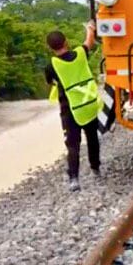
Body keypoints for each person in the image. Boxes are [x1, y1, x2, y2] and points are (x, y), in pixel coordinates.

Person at [45, 23, 102, 191]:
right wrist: (90, 29)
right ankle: (95, 168)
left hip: (69, 110)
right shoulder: (80, 54)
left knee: (72, 144)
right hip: (88, 104)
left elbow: (51, 82)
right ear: (66, 42)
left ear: (50, 47)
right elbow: (89, 42)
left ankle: (74, 179)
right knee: (92, 138)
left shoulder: (52, 65)